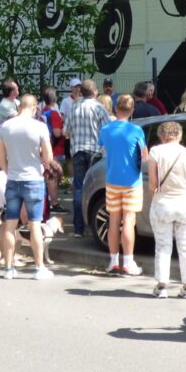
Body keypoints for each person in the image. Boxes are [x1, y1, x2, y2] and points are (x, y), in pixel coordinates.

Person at [0, 94, 57, 280]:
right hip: (33, 180)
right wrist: (40, 160)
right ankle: (39, 268)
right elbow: (48, 157)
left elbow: (1, 158)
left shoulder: (6, 127)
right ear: (34, 108)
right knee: (35, 225)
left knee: (10, 225)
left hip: (13, 179)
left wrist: (9, 172)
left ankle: (8, 268)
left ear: (19, 107)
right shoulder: (39, 127)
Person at [147, 121, 186, 298]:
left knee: (163, 246)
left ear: (162, 135)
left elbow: (153, 183)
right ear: (179, 135)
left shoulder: (156, 152)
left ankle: (162, 286)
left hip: (163, 204)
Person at [98, 95, 147, 275]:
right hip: (132, 181)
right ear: (132, 110)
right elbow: (145, 156)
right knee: (128, 221)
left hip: (112, 180)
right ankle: (128, 262)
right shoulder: (136, 130)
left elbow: (102, 148)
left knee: (113, 221)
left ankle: (113, 262)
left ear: (116, 109)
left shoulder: (105, 129)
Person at [63, 79, 110, 238]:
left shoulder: (73, 107)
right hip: (95, 152)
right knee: (95, 187)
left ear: (81, 92)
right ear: (95, 91)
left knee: (79, 188)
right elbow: (107, 130)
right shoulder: (99, 107)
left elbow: (65, 132)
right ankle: (94, 224)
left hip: (77, 151)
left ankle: (78, 228)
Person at [41, 87, 66, 213]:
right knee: (53, 177)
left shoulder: (41, 113)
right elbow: (57, 133)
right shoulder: (54, 113)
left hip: (44, 149)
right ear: (55, 99)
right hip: (55, 149)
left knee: (47, 176)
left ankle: (47, 202)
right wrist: (65, 130)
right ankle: (54, 203)